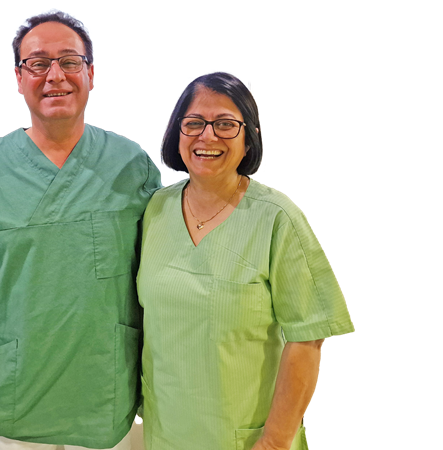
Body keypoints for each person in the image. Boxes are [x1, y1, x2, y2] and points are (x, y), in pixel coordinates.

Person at [0, 9, 161, 450]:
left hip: (105, 391)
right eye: (38, 63)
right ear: (18, 76)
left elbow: (163, 268)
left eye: (69, 61)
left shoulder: (132, 166)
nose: (55, 76)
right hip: (11, 394)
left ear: (90, 73)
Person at [137, 70, 355, 450]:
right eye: (194, 123)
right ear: (177, 133)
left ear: (248, 136)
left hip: (247, 439)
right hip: (165, 434)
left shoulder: (277, 219)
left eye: (225, 124)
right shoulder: (154, 210)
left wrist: (274, 441)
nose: (208, 137)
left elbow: (306, 339)